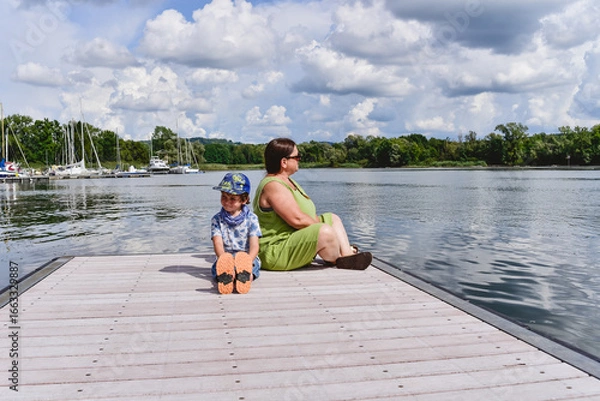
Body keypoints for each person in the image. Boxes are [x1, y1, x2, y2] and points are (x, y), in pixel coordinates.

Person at [252, 138, 372, 271]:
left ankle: (347, 255)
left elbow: (306, 215)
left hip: (291, 240)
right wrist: (327, 231)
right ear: (284, 162)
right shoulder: (273, 185)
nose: (299, 160)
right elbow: (297, 219)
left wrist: (325, 224)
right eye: (297, 157)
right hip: (276, 250)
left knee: (332, 218)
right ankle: (339, 258)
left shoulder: (287, 181)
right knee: (325, 232)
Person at [211, 172, 262, 294]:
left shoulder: (252, 218)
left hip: (246, 258)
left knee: (253, 267)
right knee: (216, 267)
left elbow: (255, 245)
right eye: (224, 197)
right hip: (226, 258)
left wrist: (248, 261)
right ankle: (228, 277)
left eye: (232, 198)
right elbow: (217, 243)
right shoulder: (216, 219)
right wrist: (223, 258)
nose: (227, 202)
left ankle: (244, 277)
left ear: (244, 199)